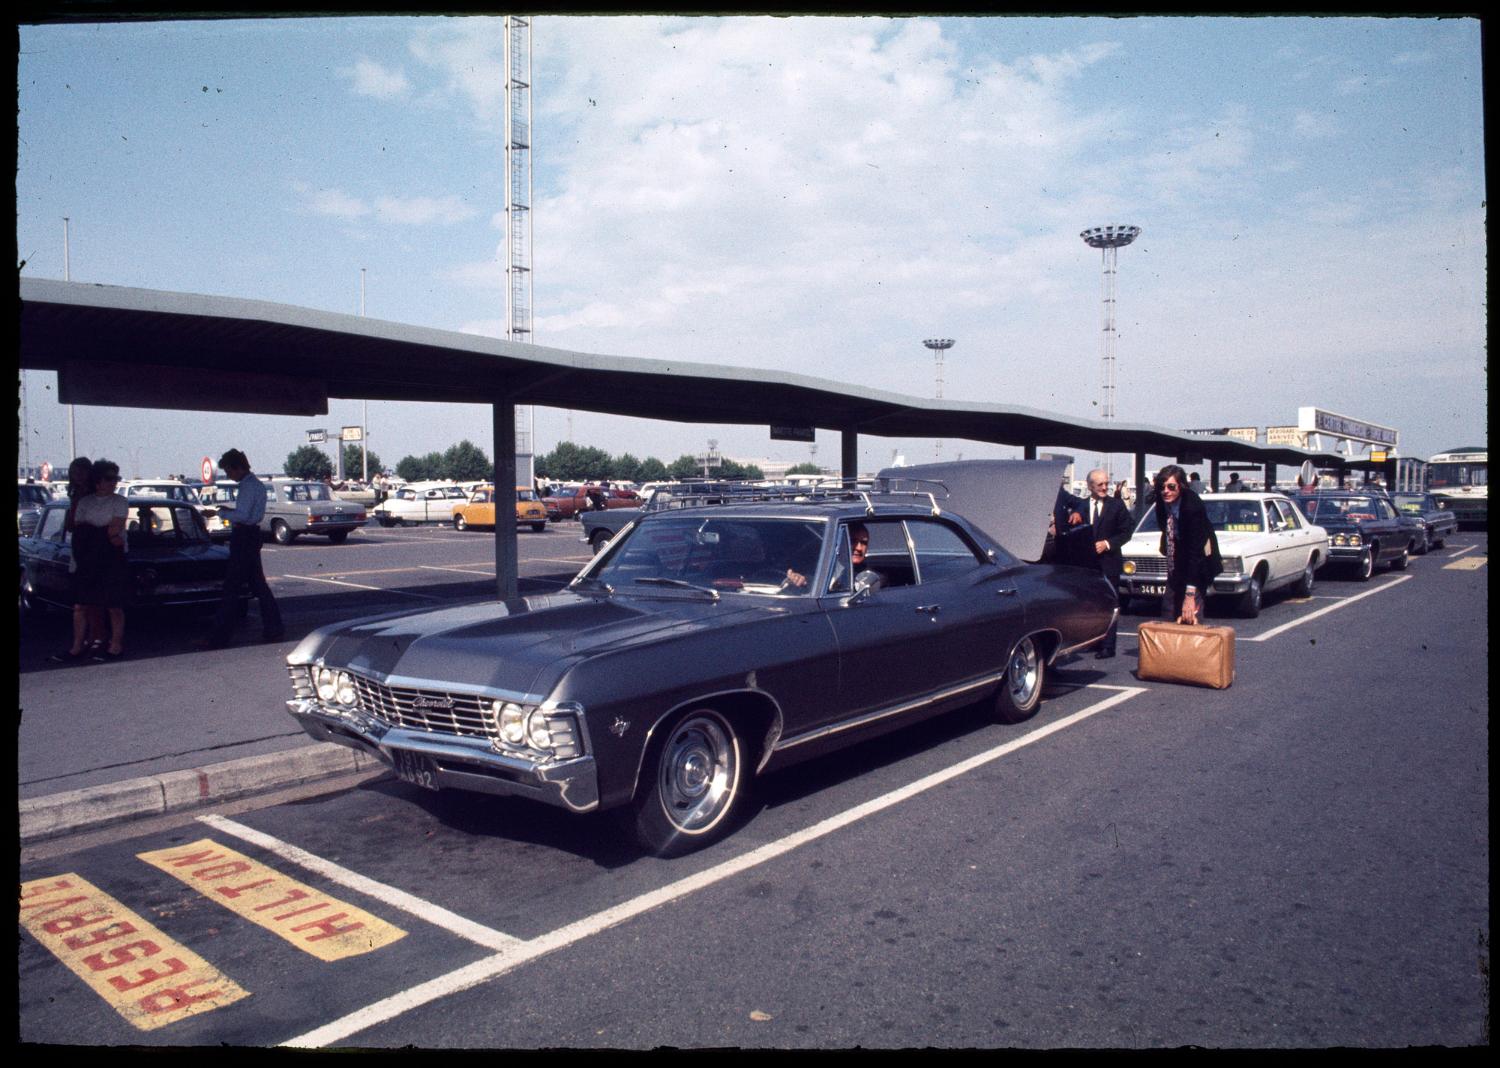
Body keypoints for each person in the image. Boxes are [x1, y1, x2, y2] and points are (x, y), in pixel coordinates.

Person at [197, 449, 284, 648]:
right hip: (252, 535)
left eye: (229, 471)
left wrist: (223, 512)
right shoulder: (258, 485)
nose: (228, 475)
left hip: (244, 536)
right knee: (259, 586)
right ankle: (274, 627)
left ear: (238, 467)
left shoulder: (247, 487)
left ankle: (218, 637)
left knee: (231, 587)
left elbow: (243, 515)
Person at [1069, 469, 1135, 658]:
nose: (1105, 487)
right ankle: (1093, 640)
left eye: (1107, 483)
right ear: (1090, 486)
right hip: (1087, 566)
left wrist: (1107, 544)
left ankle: (1108, 646)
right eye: (1100, 484)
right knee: (1089, 605)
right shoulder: (1081, 506)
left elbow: (1127, 530)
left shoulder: (1117, 506)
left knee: (1110, 603)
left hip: (1109, 563)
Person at [46, 456, 106, 663]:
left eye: (81, 472)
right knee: (83, 602)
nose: (78, 476)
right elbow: (72, 525)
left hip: (92, 551)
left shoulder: (94, 496)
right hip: (79, 549)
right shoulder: (75, 494)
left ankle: (89, 642)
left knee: (90, 601)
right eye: (74, 472)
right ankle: (84, 642)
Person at [70, 459, 131, 660]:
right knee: (81, 604)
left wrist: (94, 531)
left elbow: (115, 530)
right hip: (87, 557)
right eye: (109, 478)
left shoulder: (120, 501)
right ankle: (77, 645)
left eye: (116, 478)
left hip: (112, 558)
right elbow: (78, 529)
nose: (114, 482)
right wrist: (103, 533)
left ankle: (116, 644)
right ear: (97, 481)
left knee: (114, 604)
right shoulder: (85, 502)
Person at [1153, 464, 1223, 626]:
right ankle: (1169, 650)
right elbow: (1166, 529)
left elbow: (1195, 552)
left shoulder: (1192, 506)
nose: (1166, 491)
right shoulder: (1161, 501)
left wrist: (1190, 595)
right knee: (1169, 610)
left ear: (1182, 486)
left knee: (1190, 614)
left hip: (1198, 563)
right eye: (1162, 487)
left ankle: (1194, 649)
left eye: (1171, 487)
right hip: (1176, 562)